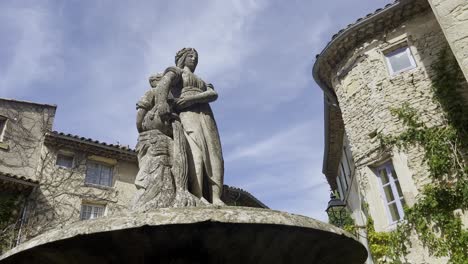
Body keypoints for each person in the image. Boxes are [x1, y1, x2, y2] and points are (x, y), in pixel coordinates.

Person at [155, 48, 225, 206]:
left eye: (196, 57)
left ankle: (216, 197)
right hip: (188, 114)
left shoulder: (201, 80)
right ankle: (198, 195)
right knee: (196, 151)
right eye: (190, 56)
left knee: (215, 153)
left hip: (206, 115)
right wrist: (161, 103)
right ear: (182, 58)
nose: (194, 59)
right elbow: (163, 84)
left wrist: (192, 99)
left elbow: (213, 94)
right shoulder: (178, 72)